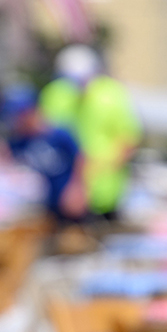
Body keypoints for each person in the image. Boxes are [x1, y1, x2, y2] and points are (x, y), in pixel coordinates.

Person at [38, 44, 142, 219]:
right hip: (61, 195)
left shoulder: (112, 94)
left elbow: (128, 142)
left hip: (103, 196)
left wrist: (95, 171)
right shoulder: (56, 93)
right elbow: (45, 139)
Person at [2, 86, 86, 224]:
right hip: (45, 204)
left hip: (68, 198)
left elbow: (81, 158)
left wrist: (78, 189)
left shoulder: (59, 134)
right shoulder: (20, 141)